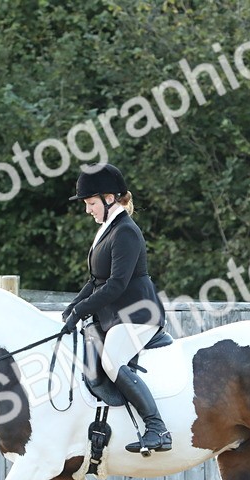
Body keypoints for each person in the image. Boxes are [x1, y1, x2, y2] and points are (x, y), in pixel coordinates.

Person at [61, 164, 171, 453]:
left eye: (91, 203)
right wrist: (72, 307)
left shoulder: (125, 233)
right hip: (115, 316)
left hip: (138, 314)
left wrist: (82, 310)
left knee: (111, 361)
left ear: (110, 198)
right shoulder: (107, 230)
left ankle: (157, 428)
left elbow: (115, 285)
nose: (88, 210)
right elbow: (96, 281)